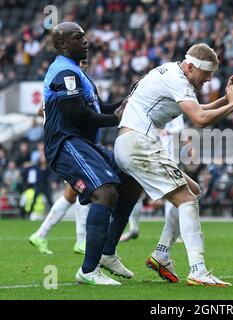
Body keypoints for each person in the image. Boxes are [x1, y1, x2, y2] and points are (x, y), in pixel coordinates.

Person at [114, 43, 233, 286]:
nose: (209, 80)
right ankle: (198, 270)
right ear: (192, 67)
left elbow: (199, 109)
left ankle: (162, 254)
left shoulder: (173, 73)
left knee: (192, 190)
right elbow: (201, 119)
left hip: (132, 143)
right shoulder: (178, 80)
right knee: (187, 199)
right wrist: (232, 105)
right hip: (139, 144)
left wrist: (226, 98)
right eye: (207, 74)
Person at [43, 22, 143, 285]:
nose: (86, 42)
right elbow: (75, 113)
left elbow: (96, 108)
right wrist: (114, 119)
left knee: (132, 182)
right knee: (105, 191)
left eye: (85, 37)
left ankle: (107, 253)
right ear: (63, 43)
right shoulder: (65, 72)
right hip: (66, 142)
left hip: (84, 143)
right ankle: (88, 271)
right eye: (79, 38)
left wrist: (124, 102)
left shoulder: (76, 72)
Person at [29, 95, 89, 255]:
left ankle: (40, 235)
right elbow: (40, 111)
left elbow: (41, 111)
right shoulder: (62, 88)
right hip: (67, 149)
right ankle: (81, 240)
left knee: (70, 194)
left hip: (68, 147)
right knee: (84, 189)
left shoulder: (60, 88)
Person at [120, 115, 185, 243]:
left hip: (167, 158)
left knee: (172, 195)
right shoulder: (148, 108)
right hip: (148, 155)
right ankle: (133, 229)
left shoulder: (175, 107)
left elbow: (181, 127)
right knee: (135, 190)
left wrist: (168, 131)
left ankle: (172, 233)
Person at [29, 183, 89, 255]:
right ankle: (81, 242)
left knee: (70, 195)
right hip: (78, 171)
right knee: (84, 191)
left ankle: (40, 235)